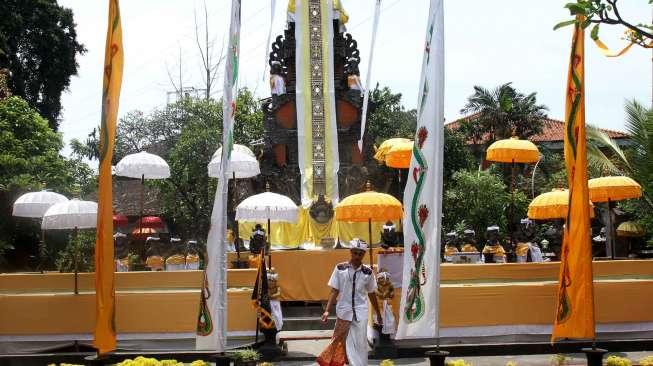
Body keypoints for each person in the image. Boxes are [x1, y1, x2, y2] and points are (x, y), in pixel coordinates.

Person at [317, 239, 382, 366]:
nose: (357, 256)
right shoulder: (340, 268)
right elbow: (334, 291)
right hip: (344, 311)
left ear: (363, 254)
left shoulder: (368, 272)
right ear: (350, 252)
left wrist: (378, 314)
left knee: (360, 343)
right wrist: (326, 311)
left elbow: (372, 293)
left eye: (360, 254)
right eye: (355, 253)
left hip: (360, 312)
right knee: (344, 342)